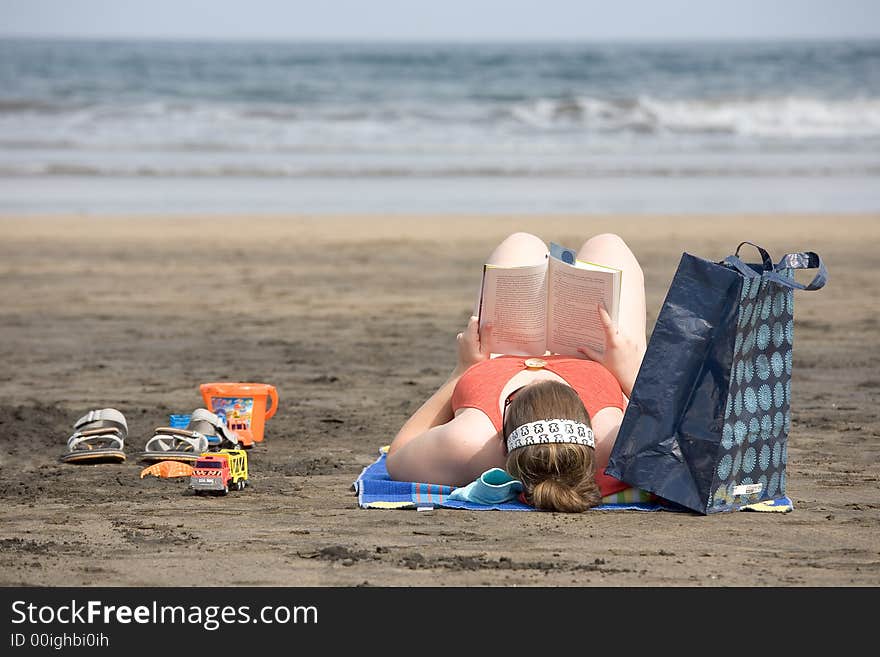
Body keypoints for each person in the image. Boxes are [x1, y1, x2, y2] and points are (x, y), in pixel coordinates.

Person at [387, 232, 647, 512]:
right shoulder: (613, 440)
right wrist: (634, 375)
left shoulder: (471, 443)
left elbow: (399, 453)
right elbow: (691, 450)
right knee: (607, 245)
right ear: (588, 430)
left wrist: (462, 371)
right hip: (597, 359)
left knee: (521, 244)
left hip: (505, 353)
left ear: (502, 438)